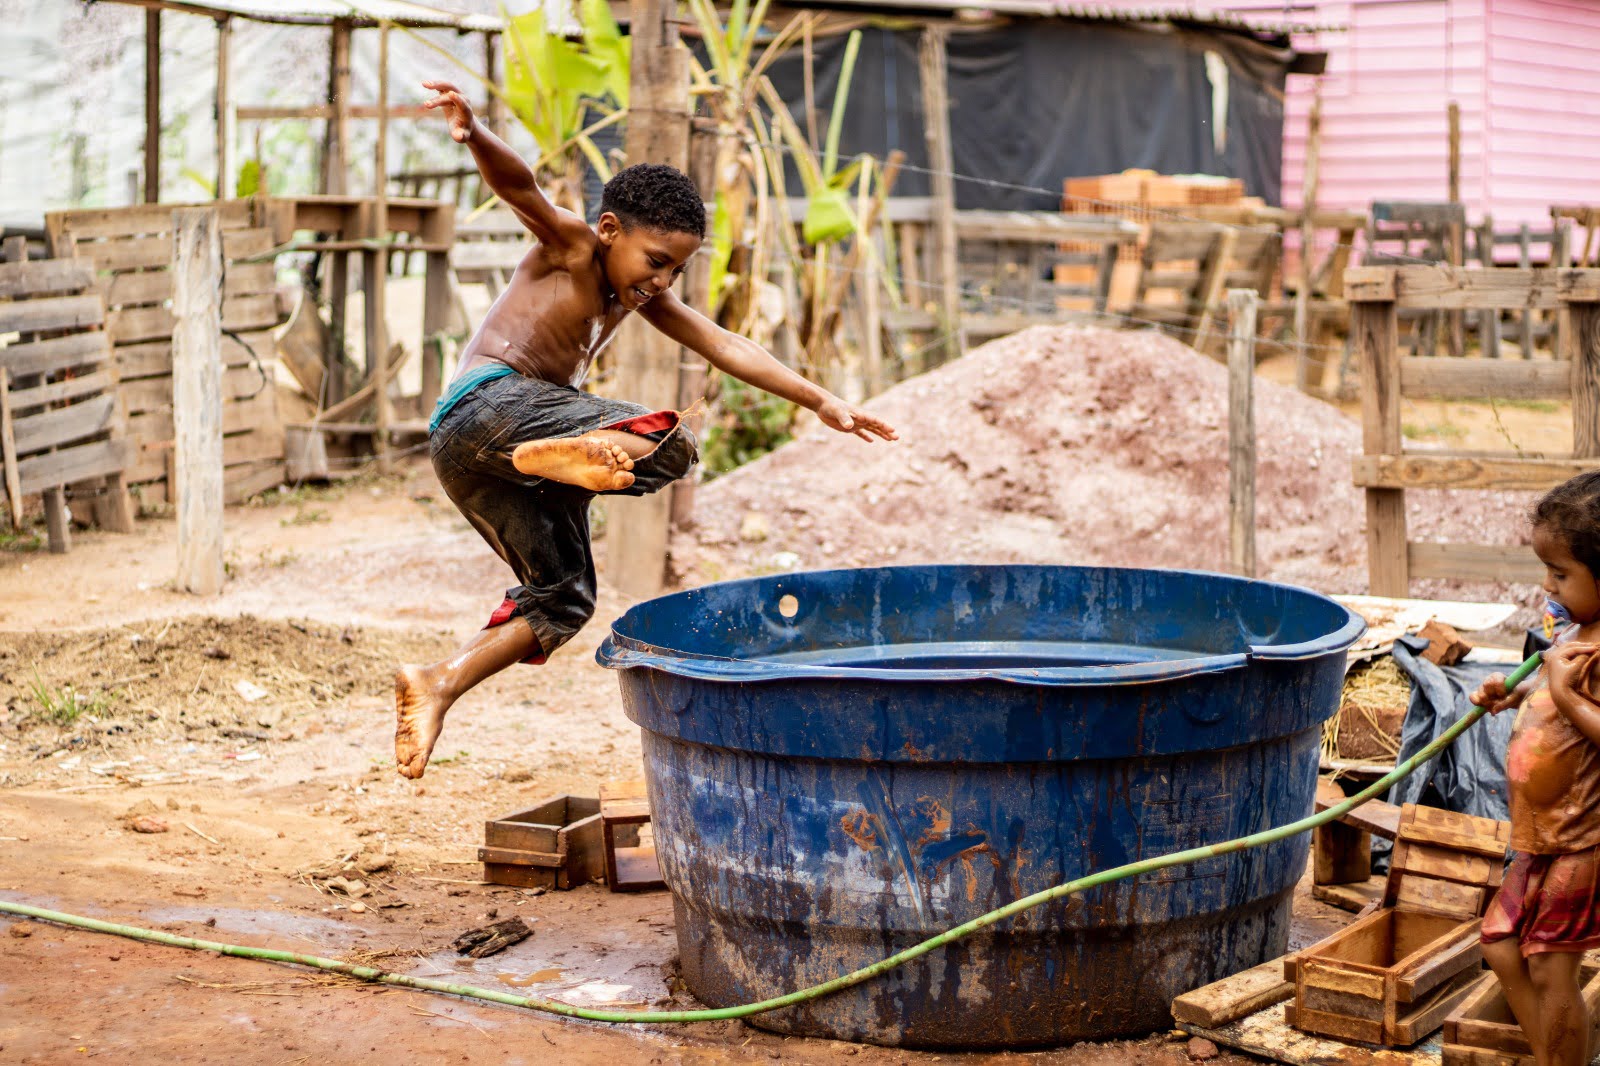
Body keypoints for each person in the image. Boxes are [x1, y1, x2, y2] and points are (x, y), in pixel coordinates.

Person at [393, 81, 898, 780]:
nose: (663, 281)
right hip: (489, 409)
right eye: (656, 262)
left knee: (565, 599)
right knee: (671, 442)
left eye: (679, 269)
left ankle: (438, 682)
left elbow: (725, 344)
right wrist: (473, 132)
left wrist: (821, 400)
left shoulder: (640, 297)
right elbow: (522, 189)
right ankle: (558, 459)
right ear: (608, 231)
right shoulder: (572, 248)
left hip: (471, 459)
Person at [1472, 471, 1600, 1066]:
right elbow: (1560, 710)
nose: (1547, 584)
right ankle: (1557, 1059)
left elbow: (1582, 712)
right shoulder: (1575, 632)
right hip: (1540, 835)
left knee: (1551, 962)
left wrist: (1566, 696)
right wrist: (1518, 698)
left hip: (1582, 840)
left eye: (1560, 573)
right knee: (1500, 945)